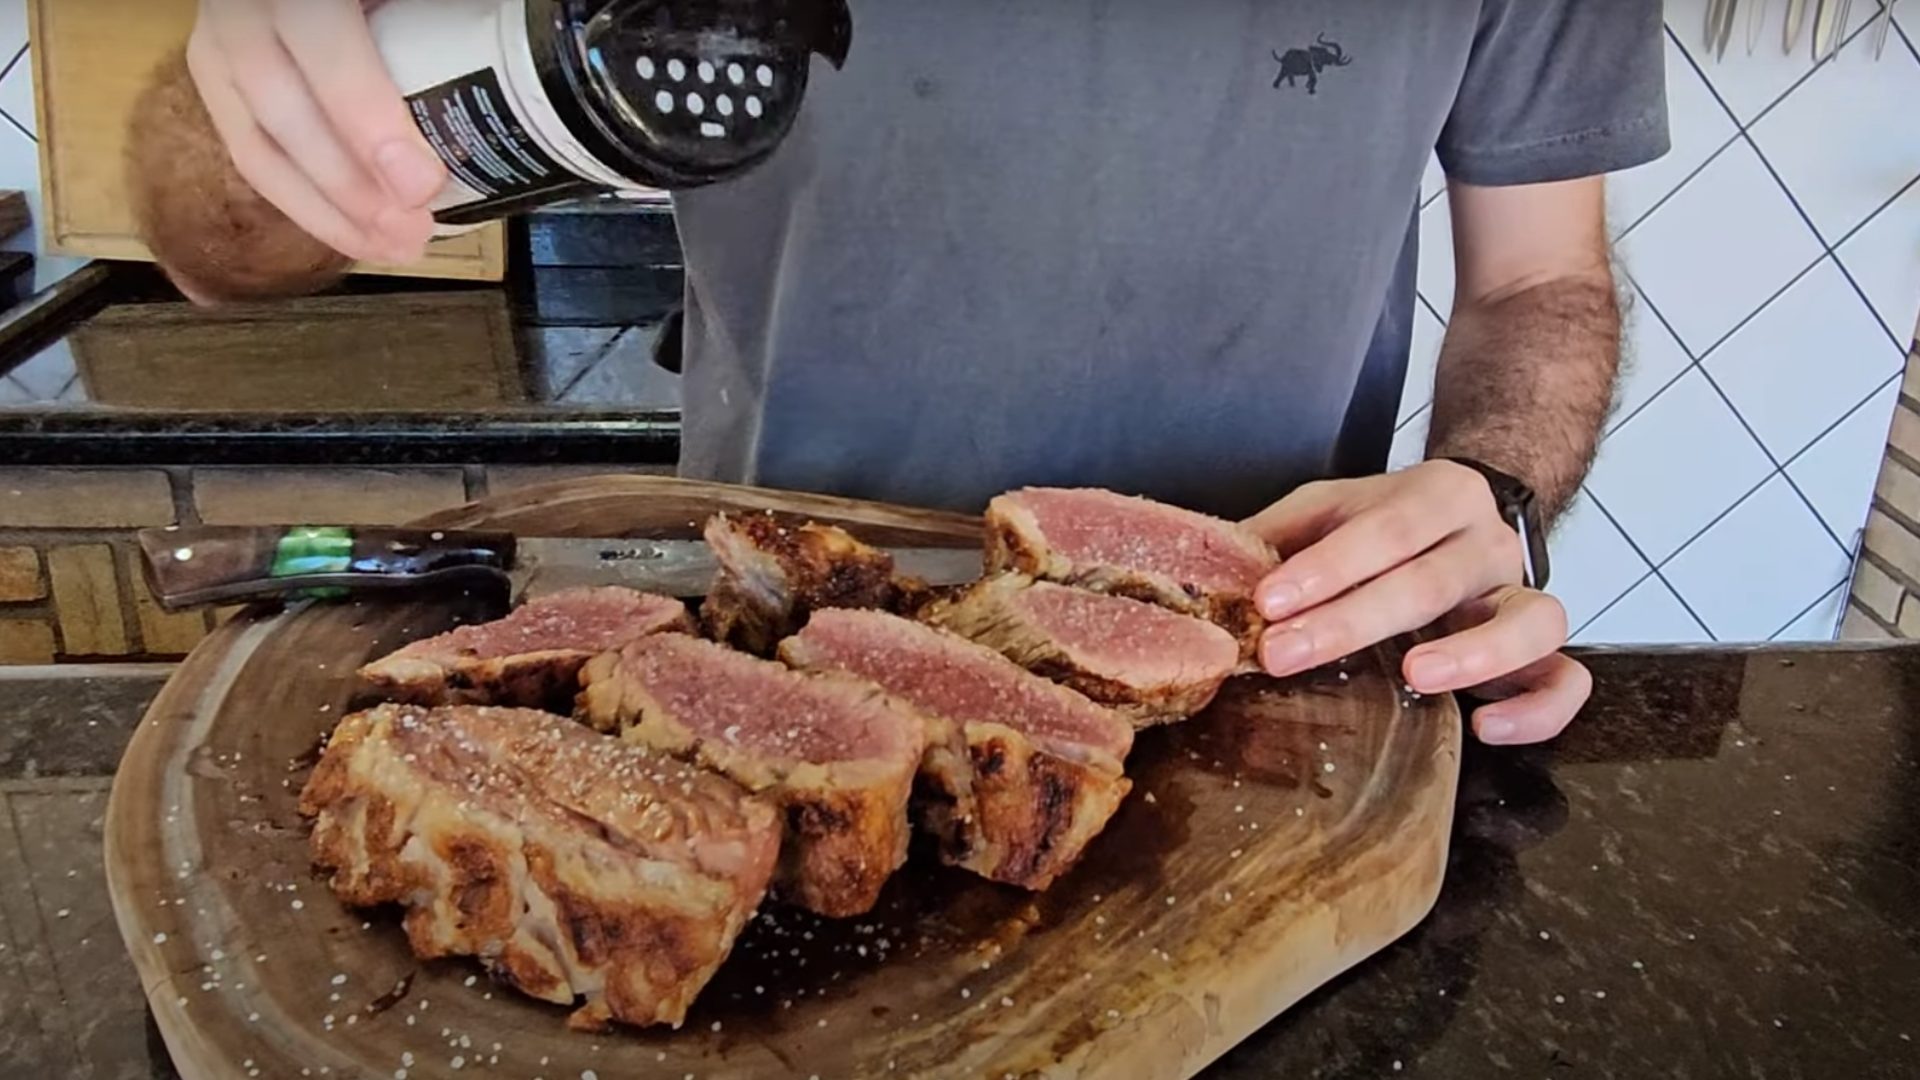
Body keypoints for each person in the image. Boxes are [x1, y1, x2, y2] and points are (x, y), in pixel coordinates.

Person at [182, 0, 1670, 746]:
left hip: (1258, 687)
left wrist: (1495, 490)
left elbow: (1543, 287)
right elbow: (214, 239)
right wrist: (249, 81)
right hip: (754, 679)